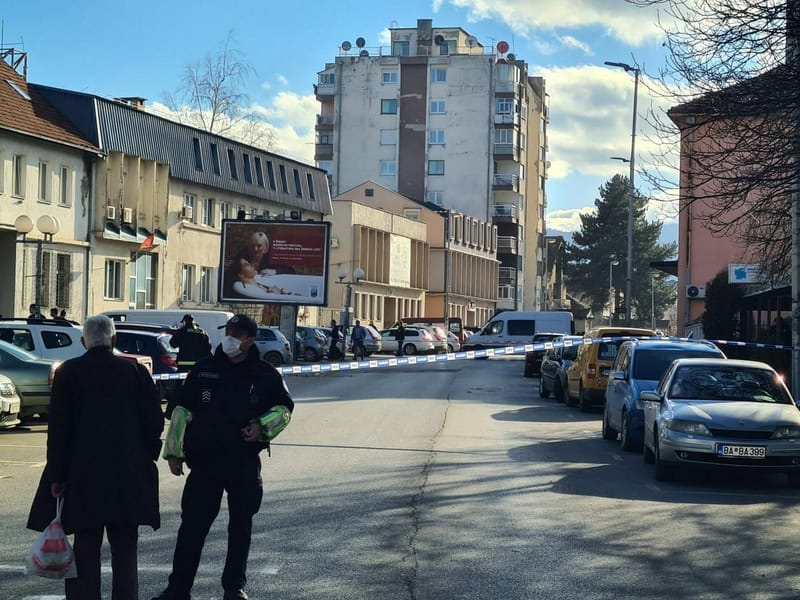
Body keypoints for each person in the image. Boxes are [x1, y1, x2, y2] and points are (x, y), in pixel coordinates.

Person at [153, 314, 294, 600]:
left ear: (249, 340)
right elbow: (180, 410)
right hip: (205, 463)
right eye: (227, 331)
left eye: (236, 334)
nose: (229, 338)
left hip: (243, 462)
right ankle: (178, 590)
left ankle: (233, 588)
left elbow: (284, 409)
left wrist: (262, 426)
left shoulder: (265, 374)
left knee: (240, 526)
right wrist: (174, 452)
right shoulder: (203, 369)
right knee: (192, 527)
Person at [27, 315, 164, 600]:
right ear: (114, 340)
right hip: (128, 473)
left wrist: (57, 476)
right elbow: (154, 421)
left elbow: (60, 430)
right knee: (125, 549)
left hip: (83, 475)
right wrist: (145, 456)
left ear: (83, 342)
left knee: (85, 547)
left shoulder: (68, 372)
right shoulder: (135, 372)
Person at [224, 231, 296, 298]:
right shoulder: (243, 256)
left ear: (265, 248)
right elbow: (230, 275)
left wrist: (274, 271)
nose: (255, 249)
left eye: (259, 246)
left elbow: (291, 270)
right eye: (252, 246)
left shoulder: (271, 258)